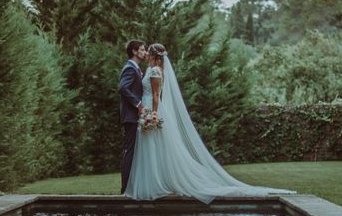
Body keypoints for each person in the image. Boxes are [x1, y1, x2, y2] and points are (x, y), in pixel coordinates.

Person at [123, 43, 294, 203]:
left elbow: (155, 95)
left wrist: (153, 114)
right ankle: (153, 183)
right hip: (145, 110)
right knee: (150, 146)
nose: (145, 54)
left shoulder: (155, 72)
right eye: (143, 50)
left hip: (152, 110)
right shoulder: (151, 69)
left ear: (154, 55)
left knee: (153, 145)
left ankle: (155, 185)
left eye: (148, 51)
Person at [118, 40, 147, 194]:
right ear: (134, 52)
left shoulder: (136, 68)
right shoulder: (130, 68)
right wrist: (138, 104)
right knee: (129, 151)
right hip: (131, 116)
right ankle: (125, 189)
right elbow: (122, 87)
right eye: (142, 50)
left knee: (133, 151)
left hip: (133, 116)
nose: (145, 52)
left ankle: (131, 187)